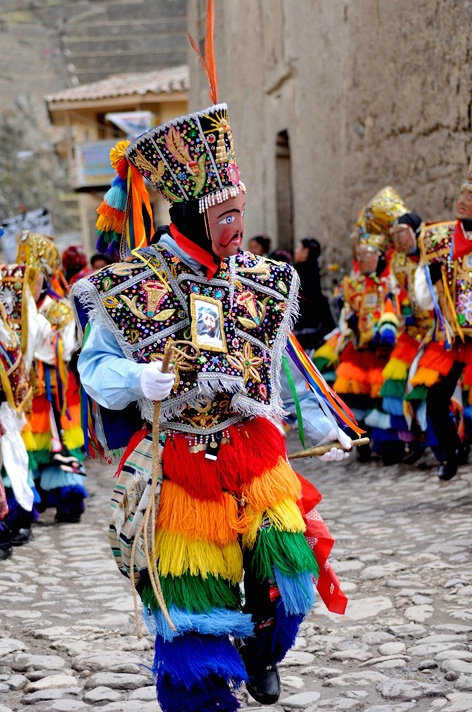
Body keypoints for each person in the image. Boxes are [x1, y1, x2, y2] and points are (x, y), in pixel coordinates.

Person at [72, 93, 354, 710]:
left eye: (241, 213)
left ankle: (261, 651)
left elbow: (279, 362)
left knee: (288, 573)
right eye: (226, 216)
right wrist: (135, 376)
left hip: (254, 453)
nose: (237, 228)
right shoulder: (128, 284)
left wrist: (322, 427)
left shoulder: (261, 278)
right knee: (194, 608)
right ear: (195, 217)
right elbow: (93, 367)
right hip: (179, 461)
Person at [16, 232, 88, 523]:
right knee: (30, 440)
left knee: (60, 437)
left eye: (35, 277)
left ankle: (67, 499)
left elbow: (65, 346)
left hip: (55, 386)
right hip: (27, 389)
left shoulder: (59, 308)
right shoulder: (15, 309)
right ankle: (32, 498)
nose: (31, 284)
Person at [411, 156, 472, 480]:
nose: (462, 202)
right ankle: (451, 453)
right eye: (462, 195)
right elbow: (423, 296)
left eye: (471, 197)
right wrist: (431, 276)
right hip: (452, 336)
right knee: (436, 398)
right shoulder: (441, 240)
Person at [293, 237, 335, 352]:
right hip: (315, 328)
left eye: (298, 248)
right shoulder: (314, 270)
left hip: (304, 329)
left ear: (306, 252)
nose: (296, 251)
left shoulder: (299, 273)